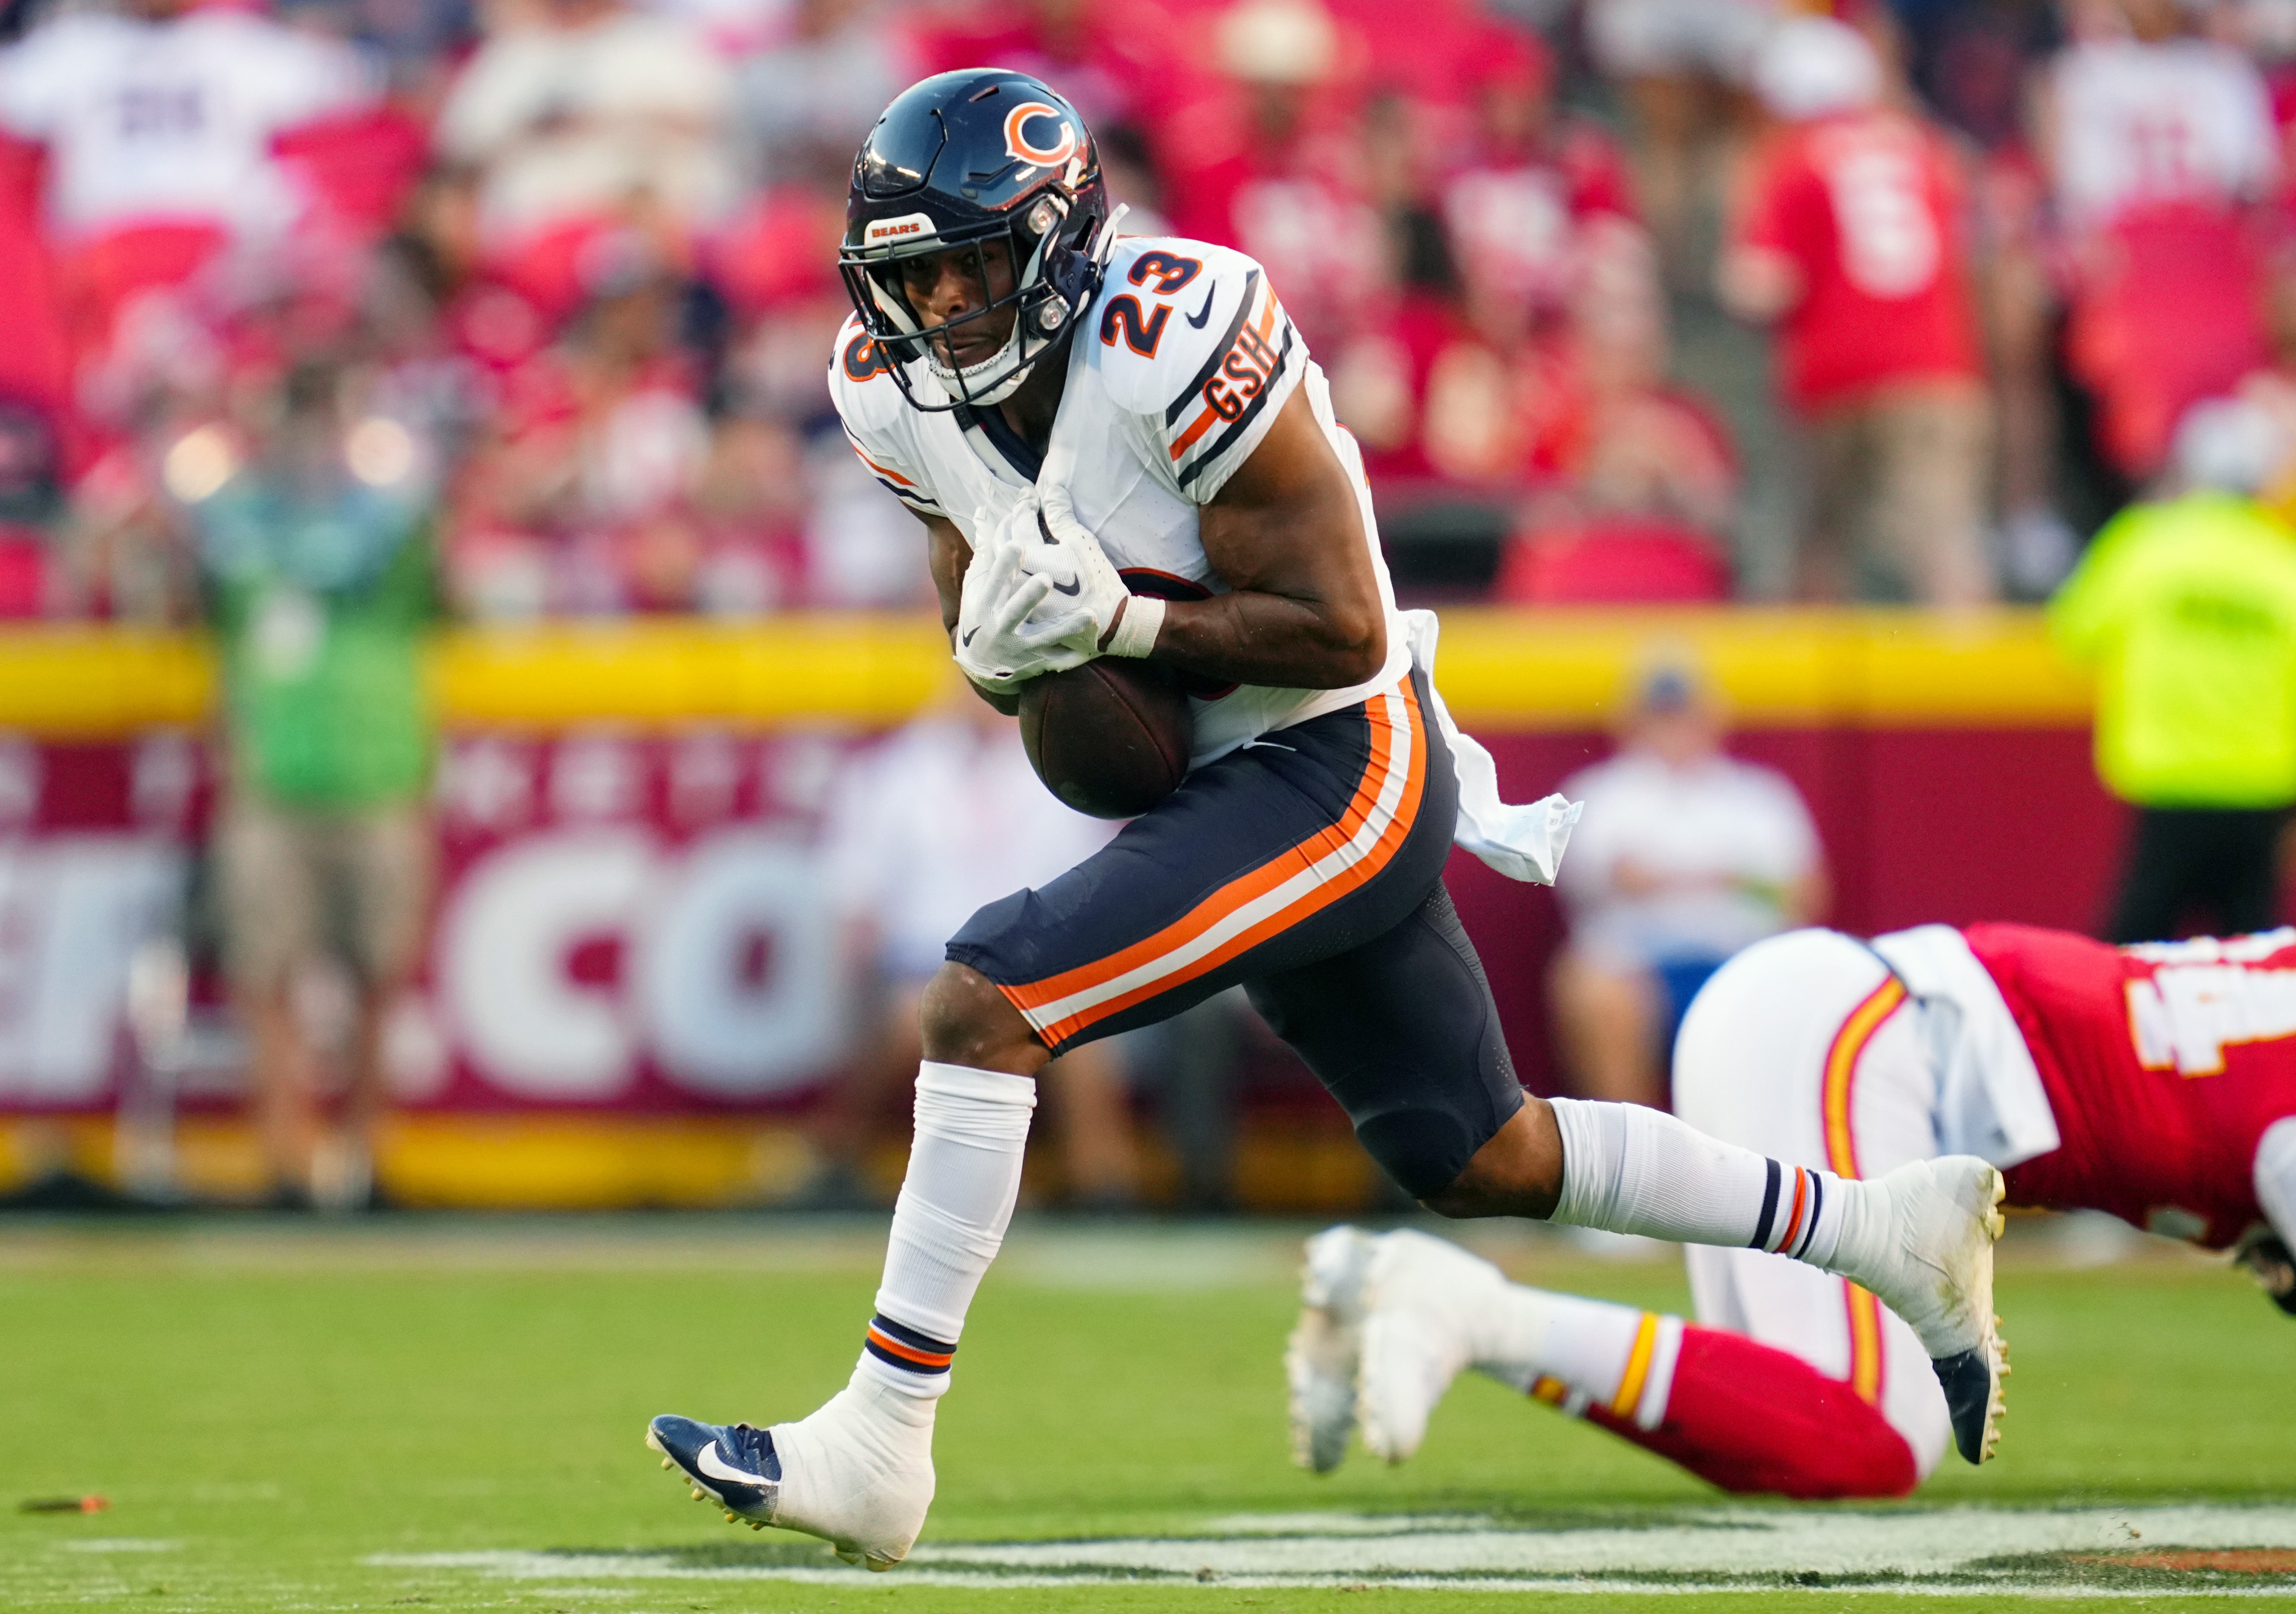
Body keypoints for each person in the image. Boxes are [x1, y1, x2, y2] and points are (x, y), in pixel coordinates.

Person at [642, 70, 2011, 1571]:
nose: (944, 303)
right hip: (1219, 774)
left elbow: (1346, 629)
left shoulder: (1176, 330)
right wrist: (999, 653)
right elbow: (990, 625)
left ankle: (878, 1444)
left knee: (986, 997)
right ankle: (1888, 1232)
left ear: (1059, 239)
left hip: (1338, 748)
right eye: (912, 273)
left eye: (971, 260)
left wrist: (1130, 625)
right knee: (1475, 1149)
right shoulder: (882, 381)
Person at [1293, 918, 2296, 1497]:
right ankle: (1466, 1308)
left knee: (1802, 1422)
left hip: (1835, 1020)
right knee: (1872, 1435)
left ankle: (1455, 1307)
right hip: (1867, 1038)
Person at [182, 357, 439, 1209]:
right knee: (268, 982)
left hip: (375, 782)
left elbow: (447, 571)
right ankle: (287, 1164)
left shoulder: (389, 527)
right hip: (273, 785)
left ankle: (365, 1162)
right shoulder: (238, 529)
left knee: (375, 986)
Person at [805, 684, 1139, 1210]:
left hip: (1041, 967)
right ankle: (838, 1157)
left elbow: (1098, 885)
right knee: (915, 1017)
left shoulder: (1060, 771)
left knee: (1081, 1043)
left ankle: (1102, 1183)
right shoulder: (897, 772)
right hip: (923, 964)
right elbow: (856, 898)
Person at [1718, 16, 1993, 605]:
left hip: (1834, 376)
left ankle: (1812, 695)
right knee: (1944, 543)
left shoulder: (1793, 160)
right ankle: (1971, 686)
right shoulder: (1927, 151)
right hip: (1937, 369)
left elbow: (1763, 284)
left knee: (1817, 545)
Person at [2050, 397, 2296, 943]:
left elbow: (2074, 633)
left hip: (2168, 779)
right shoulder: (2283, 563)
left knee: (2134, 950)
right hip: (2262, 789)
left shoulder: (2145, 545)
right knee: (2252, 955)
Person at [1550, 655, 1826, 1107]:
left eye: (1684, 715)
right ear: (1632, 722)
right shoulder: (1601, 792)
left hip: (1741, 959)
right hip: (1635, 964)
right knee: (1594, 990)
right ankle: (1628, 1158)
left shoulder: (1760, 795)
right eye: (1661, 716)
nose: (1675, 730)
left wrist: (1674, 878)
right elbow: (1602, 878)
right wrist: (1729, 879)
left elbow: (1807, 893)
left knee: (1800, 988)